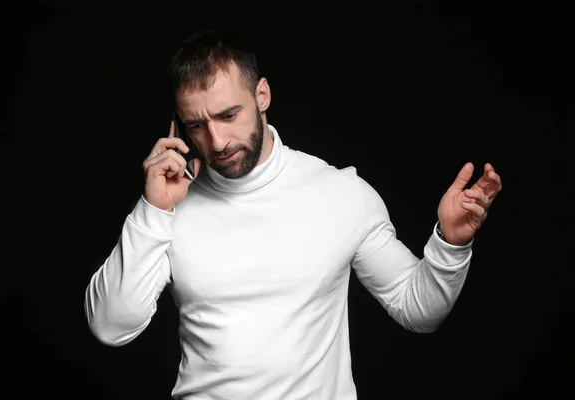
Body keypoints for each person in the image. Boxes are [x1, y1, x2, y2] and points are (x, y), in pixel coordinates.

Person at [84, 29, 503, 400]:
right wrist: (153, 209)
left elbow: (418, 311)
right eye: (196, 125)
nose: (216, 140)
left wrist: (451, 242)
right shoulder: (170, 209)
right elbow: (110, 326)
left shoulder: (340, 193)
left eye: (229, 115)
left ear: (262, 95)